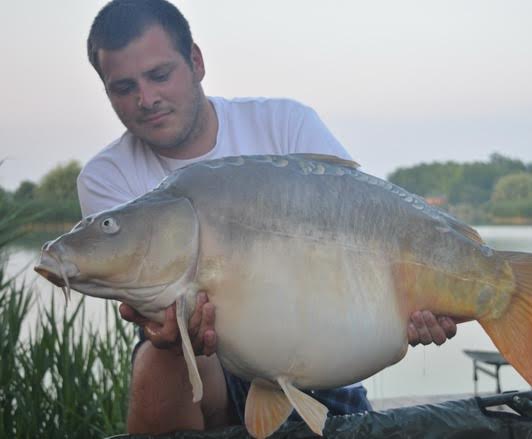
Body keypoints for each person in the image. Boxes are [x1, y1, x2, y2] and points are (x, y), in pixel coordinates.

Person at [79, 0, 458, 434]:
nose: (146, 99)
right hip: (207, 368)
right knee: (158, 353)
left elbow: (366, 229)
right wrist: (164, 331)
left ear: (196, 62)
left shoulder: (284, 123)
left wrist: (412, 306)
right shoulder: (106, 177)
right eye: (123, 88)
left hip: (321, 352)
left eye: (160, 75)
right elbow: (152, 307)